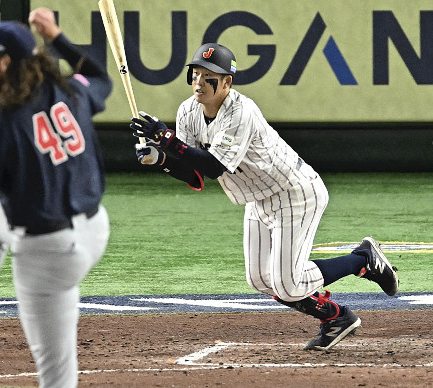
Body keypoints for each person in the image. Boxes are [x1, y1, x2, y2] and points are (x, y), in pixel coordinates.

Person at [130, 43, 399, 351]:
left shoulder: (240, 112)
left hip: (294, 192)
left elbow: (215, 166)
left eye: (209, 76)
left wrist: (165, 139)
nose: (199, 81)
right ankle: (335, 317)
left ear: (227, 82)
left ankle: (362, 260)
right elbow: (194, 173)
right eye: (197, 73)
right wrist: (161, 161)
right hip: (258, 199)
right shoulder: (188, 111)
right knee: (260, 279)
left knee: (288, 283)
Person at [0, 8, 112, 387]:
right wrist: (57, 36)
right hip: (96, 229)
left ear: (7, 61)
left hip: (47, 256)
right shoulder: (73, 92)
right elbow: (98, 74)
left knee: (57, 377)